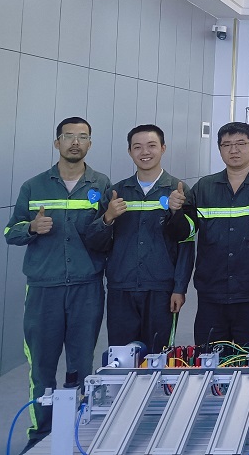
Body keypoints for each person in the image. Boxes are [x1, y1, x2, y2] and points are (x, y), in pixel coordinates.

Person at [4, 117, 111, 453]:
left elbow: (106, 235)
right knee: (42, 368)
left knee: (82, 366)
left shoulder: (101, 184)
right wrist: (31, 228)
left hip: (86, 287)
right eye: (68, 136)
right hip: (43, 290)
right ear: (57, 143)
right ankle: (41, 435)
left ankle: (79, 432)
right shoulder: (34, 186)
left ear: (90, 143)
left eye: (82, 137)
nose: (75, 142)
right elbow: (10, 232)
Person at [167, 121, 249, 346]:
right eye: (227, 145)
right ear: (219, 149)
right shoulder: (204, 187)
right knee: (209, 358)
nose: (234, 150)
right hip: (212, 291)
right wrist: (175, 211)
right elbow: (184, 232)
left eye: (241, 143)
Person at [85, 125, 194, 353]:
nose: (145, 152)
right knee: (122, 356)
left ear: (163, 148)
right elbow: (95, 242)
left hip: (161, 289)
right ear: (129, 151)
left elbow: (186, 243)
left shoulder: (178, 191)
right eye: (137, 147)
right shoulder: (117, 192)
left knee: (159, 356)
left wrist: (179, 288)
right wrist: (108, 217)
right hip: (121, 287)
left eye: (151, 145)